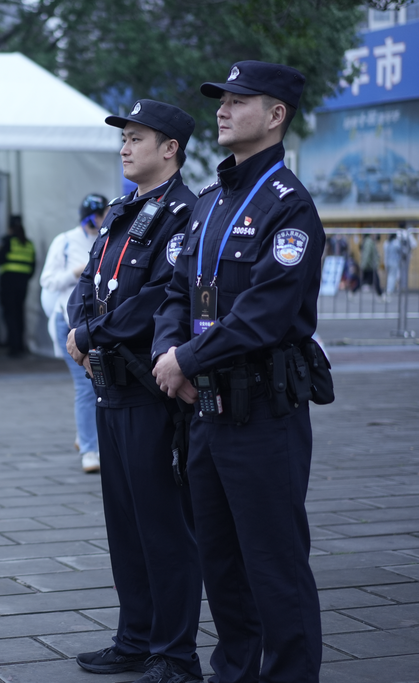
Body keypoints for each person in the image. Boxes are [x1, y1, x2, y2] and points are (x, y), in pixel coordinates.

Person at [152, 61, 324, 683]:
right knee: (221, 565)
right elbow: (177, 290)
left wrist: (186, 360)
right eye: (221, 100)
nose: (222, 110)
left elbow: (265, 315)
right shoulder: (210, 201)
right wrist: (167, 355)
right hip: (204, 409)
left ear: (275, 114)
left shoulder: (288, 206)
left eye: (238, 100)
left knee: (273, 565)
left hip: (262, 413)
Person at [67, 100, 202, 683]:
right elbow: (90, 279)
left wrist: (90, 331)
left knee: (162, 527)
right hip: (110, 386)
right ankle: (135, 637)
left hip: (151, 390)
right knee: (124, 525)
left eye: (137, 138)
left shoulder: (184, 212)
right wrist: (80, 322)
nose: (124, 147)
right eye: (123, 138)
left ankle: (173, 653)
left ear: (169, 148)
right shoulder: (124, 208)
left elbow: (158, 300)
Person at [40, 194, 105, 472]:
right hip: (68, 321)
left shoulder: (110, 236)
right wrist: (75, 272)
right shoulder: (65, 241)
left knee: (95, 384)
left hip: (100, 322)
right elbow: (48, 281)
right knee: (86, 385)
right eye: (99, 214)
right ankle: (90, 450)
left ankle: (85, 436)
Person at [0, 215, 35, 357]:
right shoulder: (29, 243)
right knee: (19, 314)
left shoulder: (8, 241)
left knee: (10, 315)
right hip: (22, 284)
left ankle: (14, 347)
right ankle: (20, 345)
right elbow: (33, 266)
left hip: (9, 284)